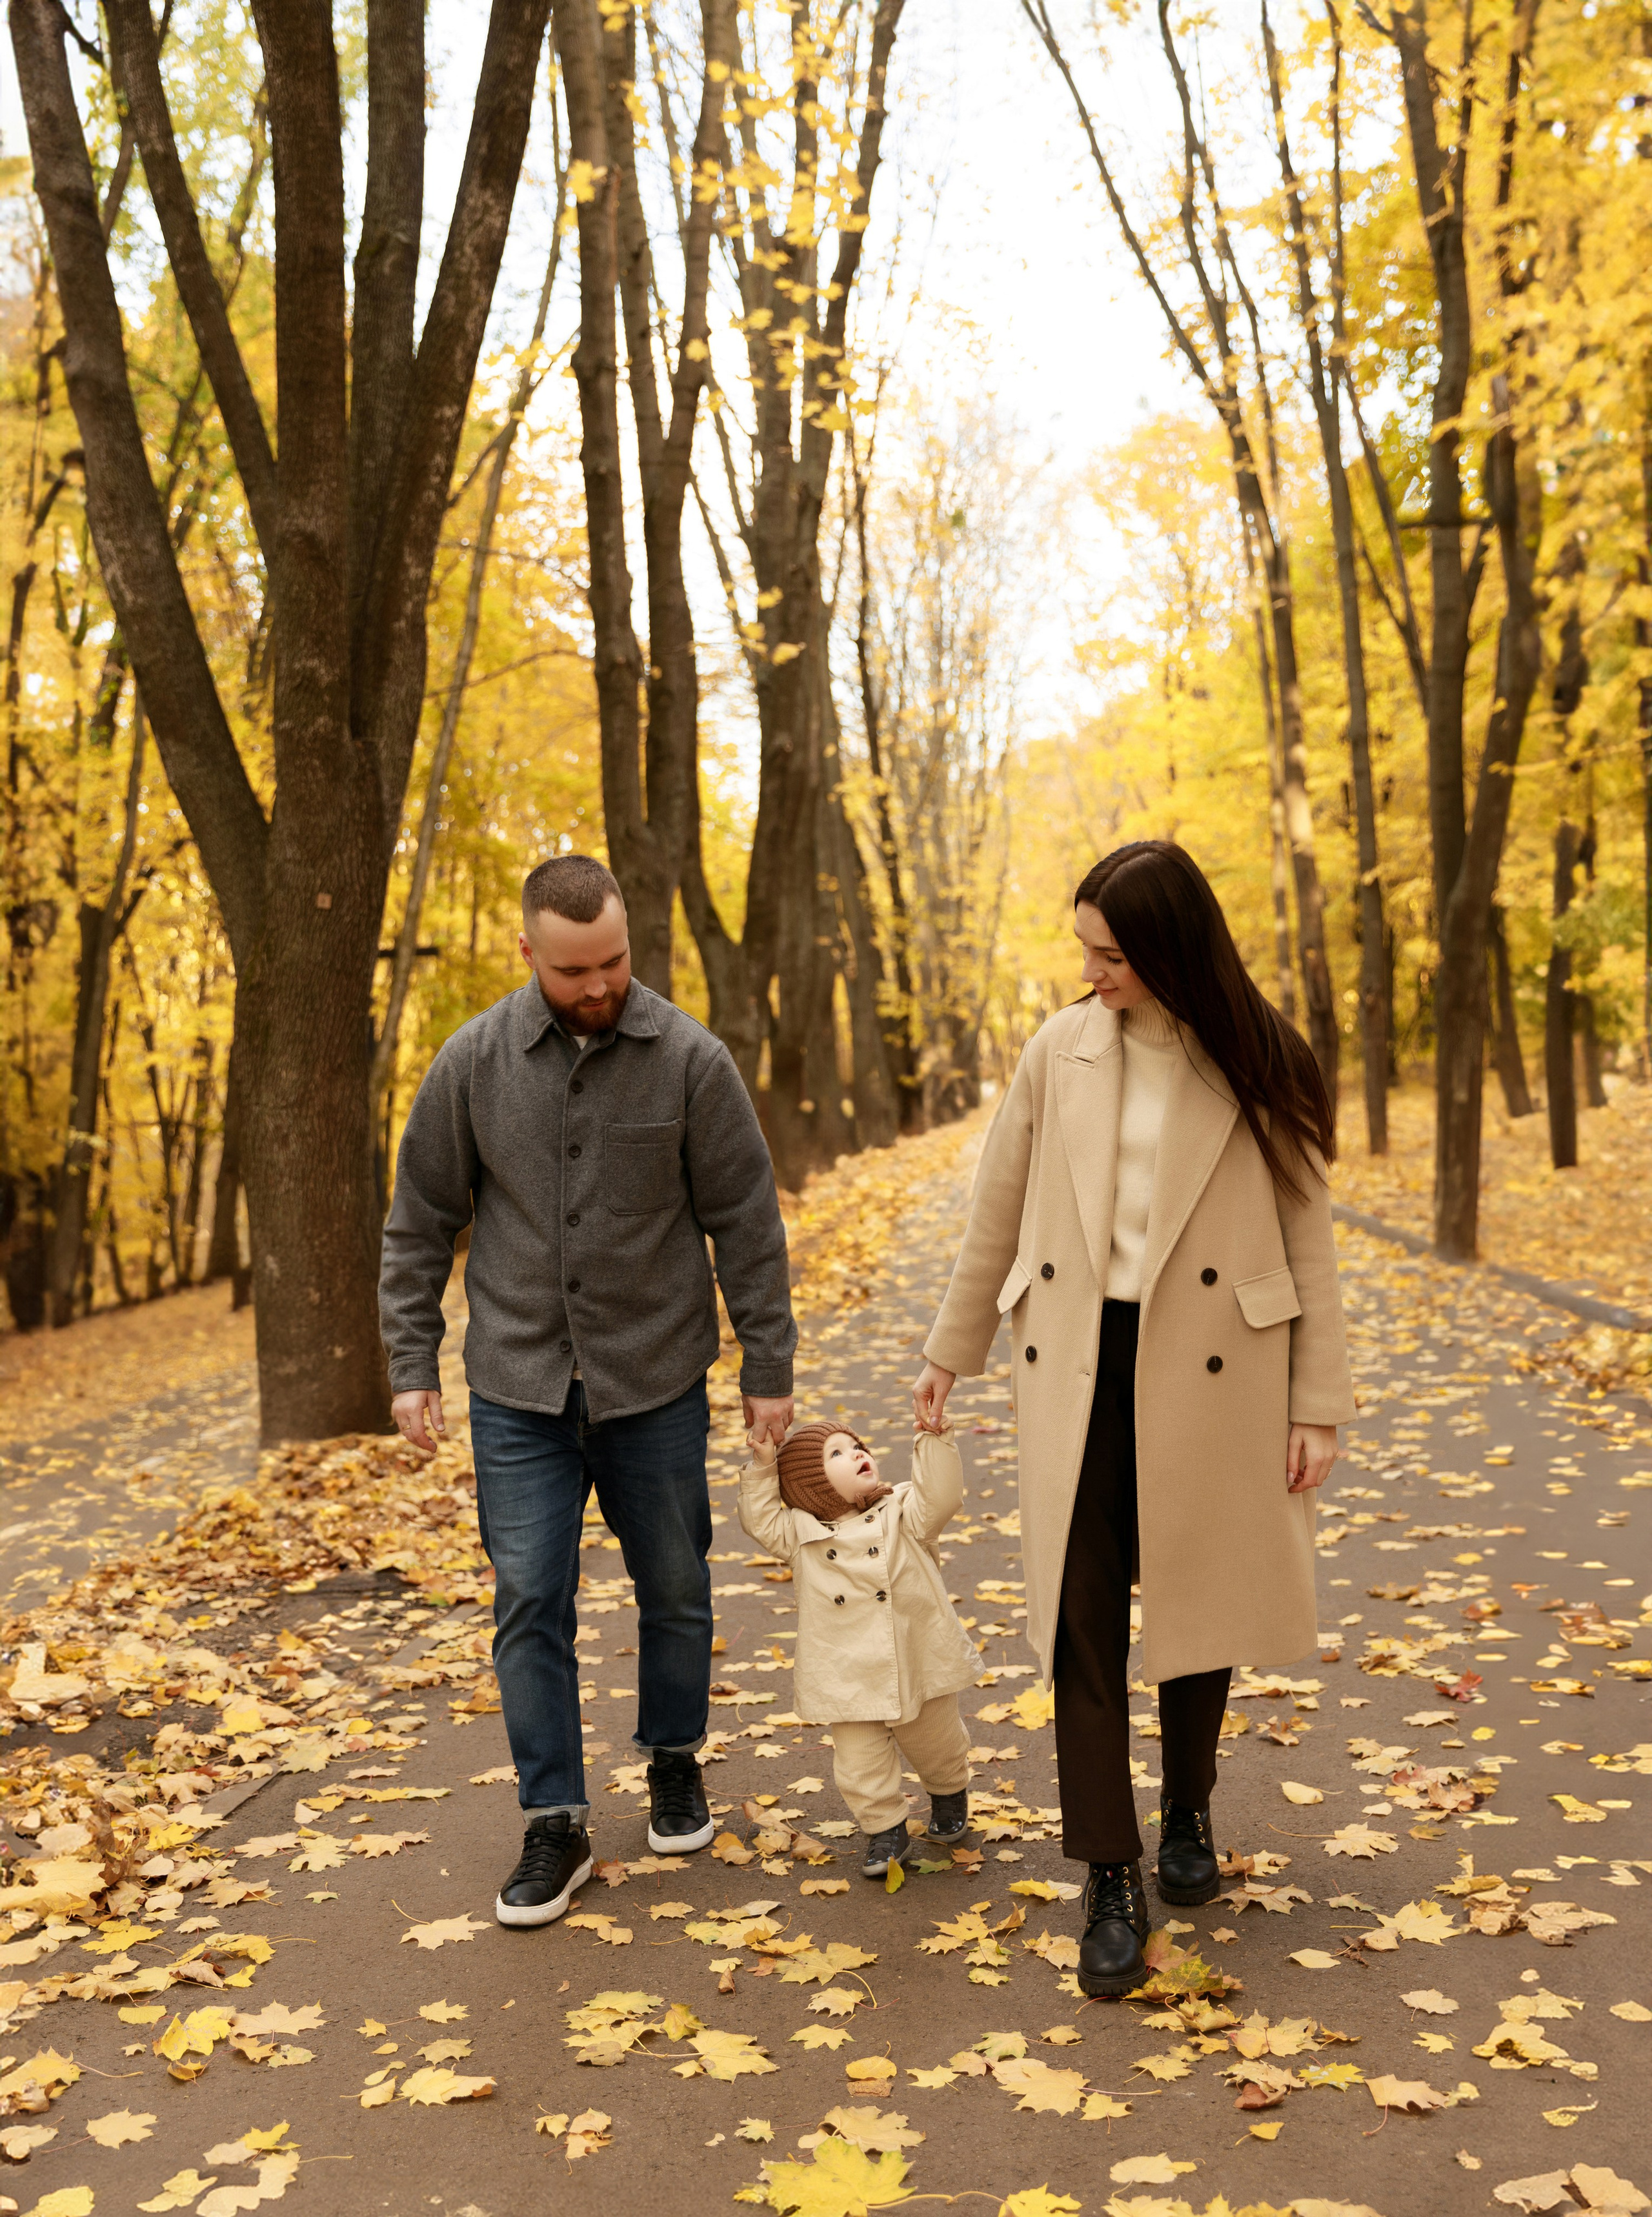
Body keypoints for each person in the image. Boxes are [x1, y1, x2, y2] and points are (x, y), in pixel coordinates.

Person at [912, 840, 1354, 1996]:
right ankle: (1110, 1870)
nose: (1093, 973)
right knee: (1082, 1614)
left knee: (1199, 1601)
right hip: (1078, 1360)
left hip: (1220, 1368)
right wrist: (948, 1354)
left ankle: (1191, 1809)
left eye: (1111, 955)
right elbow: (996, 1206)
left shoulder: (1260, 1055)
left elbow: (1310, 1237)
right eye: (1086, 953)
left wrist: (1319, 1404)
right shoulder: (1059, 1052)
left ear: (1166, 950)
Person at [379, 855, 796, 1929]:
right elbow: (421, 1219)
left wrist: (769, 1368)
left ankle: (671, 1759)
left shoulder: (692, 1062)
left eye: (613, 961)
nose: (599, 985)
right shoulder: (471, 1063)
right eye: (574, 971)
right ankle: (553, 1820)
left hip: (654, 1378)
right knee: (529, 1599)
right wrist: (410, 1361)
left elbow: (746, 1221)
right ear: (530, 955)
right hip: (517, 1383)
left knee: (676, 1583)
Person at [738, 1419, 978, 1878]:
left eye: (857, 1445)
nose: (856, 1453)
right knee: (858, 1762)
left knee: (938, 1741)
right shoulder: (801, 1533)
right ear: (808, 1485)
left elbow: (942, 1499)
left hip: (915, 1655)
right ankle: (885, 1827)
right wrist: (765, 1464)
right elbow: (760, 1518)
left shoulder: (902, 1510)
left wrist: (934, 1440)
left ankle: (949, 1791)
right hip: (846, 1670)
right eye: (837, 1453)